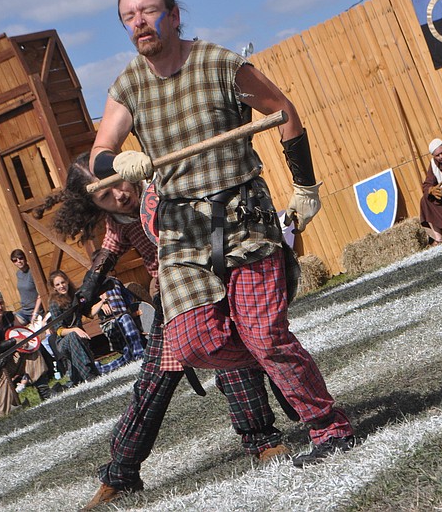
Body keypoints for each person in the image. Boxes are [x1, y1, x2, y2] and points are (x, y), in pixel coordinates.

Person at [87, 0, 354, 471]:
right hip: (182, 232)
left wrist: (305, 186)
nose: (139, 22)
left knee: (266, 336)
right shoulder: (128, 86)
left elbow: (283, 112)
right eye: (129, 16)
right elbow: (100, 152)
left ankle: (328, 424)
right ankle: (266, 350)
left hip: (242, 220)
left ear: (174, 14)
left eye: (149, 10)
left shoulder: (220, 64)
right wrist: (115, 163)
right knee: (193, 341)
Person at [51, 155, 290, 510]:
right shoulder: (119, 219)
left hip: (206, 284)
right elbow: (111, 248)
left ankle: (262, 440)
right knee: (151, 388)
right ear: (94, 205)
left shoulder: (159, 187)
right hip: (171, 303)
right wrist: (87, 289)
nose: (118, 195)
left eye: (117, 182)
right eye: (104, 195)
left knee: (231, 363)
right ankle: (120, 474)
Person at [0, 289, 51, 418]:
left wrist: (28, 340)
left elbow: (25, 336)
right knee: (5, 413)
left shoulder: (9, 316)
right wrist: (14, 341)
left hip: (9, 360)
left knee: (32, 351)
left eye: (1, 303)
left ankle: (45, 392)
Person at [10, 249, 44, 326]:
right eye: (15, 260)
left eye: (20, 258)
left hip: (36, 311)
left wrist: (35, 312)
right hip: (24, 311)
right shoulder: (18, 274)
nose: (19, 261)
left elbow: (41, 294)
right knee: (12, 327)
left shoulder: (32, 272)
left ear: (25, 258)